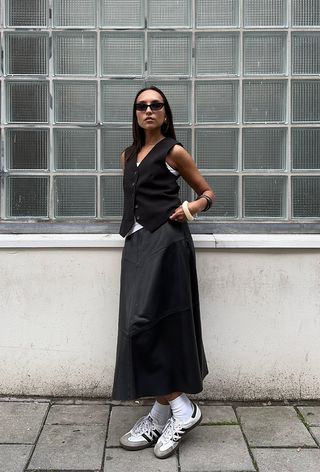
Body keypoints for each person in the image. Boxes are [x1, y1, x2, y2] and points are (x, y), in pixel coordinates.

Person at [112, 86, 215, 459]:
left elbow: (207, 193)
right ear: (136, 114)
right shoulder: (126, 156)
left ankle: (182, 409)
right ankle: (162, 411)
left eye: (156, 105)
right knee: (139, 325)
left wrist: (187, 210)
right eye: (142, 105)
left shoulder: (173, 151)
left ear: (165, 113)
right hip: (137, 245)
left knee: (149, 323)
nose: (149, 110)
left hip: (168, 244)